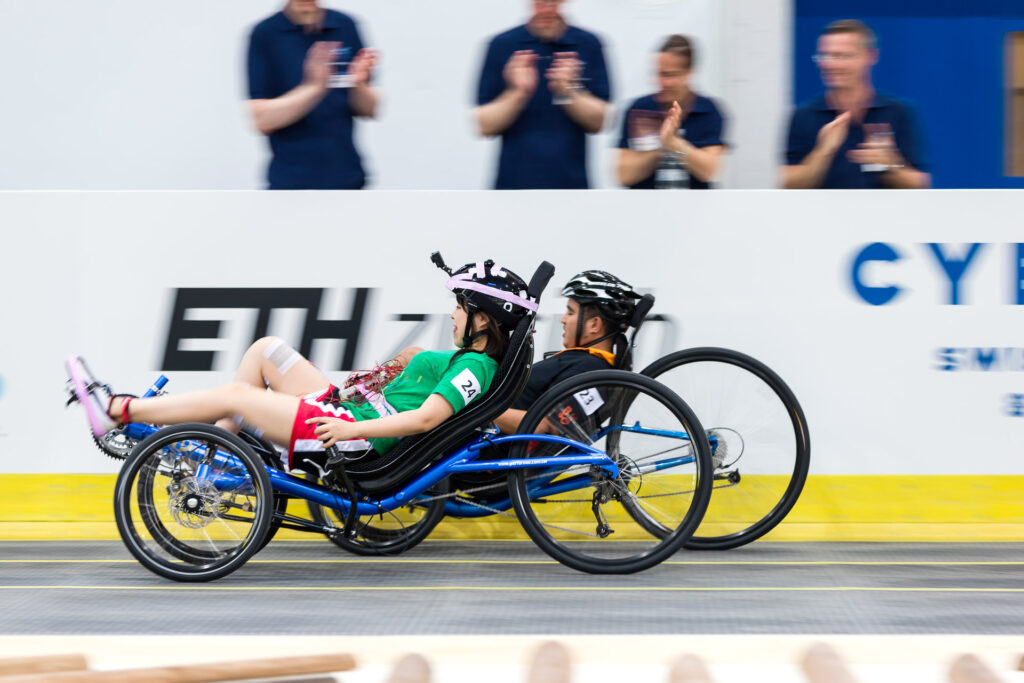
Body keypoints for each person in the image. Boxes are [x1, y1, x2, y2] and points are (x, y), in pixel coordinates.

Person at [65, 259, 536, 469]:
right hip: (348, 412)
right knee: (266, 350)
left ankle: (119, 411)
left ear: (482, 319)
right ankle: (222, 443)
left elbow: (427, 418)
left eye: (460, 307)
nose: (452, 313)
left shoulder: (475, 368)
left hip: (349, 437)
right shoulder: (464, 359)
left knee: (238, 396)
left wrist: (352, 430)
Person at [474, 0, 611, 189]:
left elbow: (599, 122)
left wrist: (568, 91)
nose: (546, 8)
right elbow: (485, 125)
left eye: (553, 2)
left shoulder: (588, 43)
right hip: (512, 189)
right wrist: (518, 93)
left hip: (572, 187)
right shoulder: (503, 44)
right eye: (540, 2)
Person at [782, 19, 930, 189]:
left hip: (883, 215)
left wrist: (891, 165)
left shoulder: (897, 111)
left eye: (842, 56)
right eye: (824, 56)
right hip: (822, 215)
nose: (830, 64)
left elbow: (920, 184)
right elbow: (787, 185)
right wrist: (823, 152)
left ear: (870, 56)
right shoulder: (803, 116)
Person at [246, 0, 378, 190]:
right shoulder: (265, 34)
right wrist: (314, 87)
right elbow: (261, 119)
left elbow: (370, 110)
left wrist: (358, 85)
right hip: (289, 188)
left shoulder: (345, 25)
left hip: (349, 182)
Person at [494, 270, 641, 434]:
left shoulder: (588, 369)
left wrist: (479, 413)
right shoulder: (585, 364)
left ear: (594, 325)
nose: (563, 319)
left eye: (571, 312)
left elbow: (544, 427)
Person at [617, 35, 728, 189]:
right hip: (645, 209)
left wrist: (674, 143)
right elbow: (624, 175)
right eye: (660, 74)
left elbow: (708, 171)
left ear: (690, 72)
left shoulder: (709, 111)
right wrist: (662, 146)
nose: (664, 82)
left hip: (694, 209)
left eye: (672, 75)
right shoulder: (638, 109)